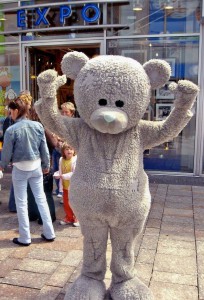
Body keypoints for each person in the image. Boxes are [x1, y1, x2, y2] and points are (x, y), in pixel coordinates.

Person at [0, 97, 55, 246]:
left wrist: (2, 165)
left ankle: (25, 237)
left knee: (21, 203)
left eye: (11, 111)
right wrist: (46, 165)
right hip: (36, 166)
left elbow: (6, 153)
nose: (10, 113)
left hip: (20, 168)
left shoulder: (11, 130)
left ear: (16, 111)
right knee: (41, 199)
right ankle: (49, 233)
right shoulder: (37, 126)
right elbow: (44, 148)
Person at [54, 142, 79, 227]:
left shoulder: (75, 160)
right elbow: (61, 170)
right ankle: (69, 217)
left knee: (75, 203)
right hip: (65, 186)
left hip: (74, 186)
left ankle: (77, 218)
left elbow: (75, 173)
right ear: (63, 151)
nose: (69, 151)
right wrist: (57, 174)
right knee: (66, 203)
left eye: (71, 149)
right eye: (67, 149)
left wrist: (63, 176)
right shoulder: (61, 159)